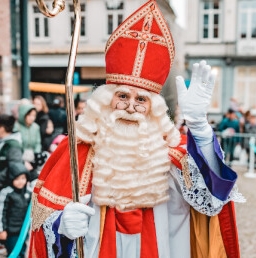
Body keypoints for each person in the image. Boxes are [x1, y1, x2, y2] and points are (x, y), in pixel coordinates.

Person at [29, 1, 244, 257]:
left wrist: (200, 127)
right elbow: (42, 219)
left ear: (153, 108)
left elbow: (213, 198)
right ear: (105, 101)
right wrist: (61, 225)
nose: (130, 107)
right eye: (122, 96)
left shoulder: (169, 154)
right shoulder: (75, 151)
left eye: (141, 100)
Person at [0, 161, 31, 257]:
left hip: (23, 231)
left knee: (22, 252)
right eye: (17, 179)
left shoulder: (28, 193)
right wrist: (2, 230)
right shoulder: (7, 193)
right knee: (14, 253)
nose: (21, 181)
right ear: (11, 179)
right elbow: (1, 212)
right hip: (11, 232)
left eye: (23, 178)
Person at [13, 102, 41, 180]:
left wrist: (37, 154)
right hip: (19, 158)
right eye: (29, 115)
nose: (32, 118)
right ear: (23, 114)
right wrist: (23, 161)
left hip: (32, 158)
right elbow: (15, 146)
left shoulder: (36, 127)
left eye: (34, 115)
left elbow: (38, 143)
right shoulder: (16, 126)